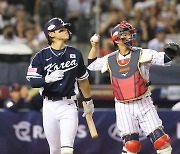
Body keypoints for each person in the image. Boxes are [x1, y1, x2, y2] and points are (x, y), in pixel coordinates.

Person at [87, 21, 180, 154]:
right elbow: (91, 65)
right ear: (117, 39)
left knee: (162, 141)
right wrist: (94, 46)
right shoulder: (111, 59)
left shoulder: (142, 53)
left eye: (130, 34)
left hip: (144, 102)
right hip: (123, 105)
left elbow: (164, 59)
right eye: (126, 35)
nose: (130, 37)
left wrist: (171, 53)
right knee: (131, 145)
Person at [26, 17, 94, 154]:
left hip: (68, 103)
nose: (66, 31)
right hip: (49, 105)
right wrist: (47, 79)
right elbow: (33, 82)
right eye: (61, 29)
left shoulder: (75, 53)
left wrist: (88, 100)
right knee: (55, 149)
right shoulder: (40, 56)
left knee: (67, 149)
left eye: (66, 29)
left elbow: (83, 80)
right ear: (51, 34)